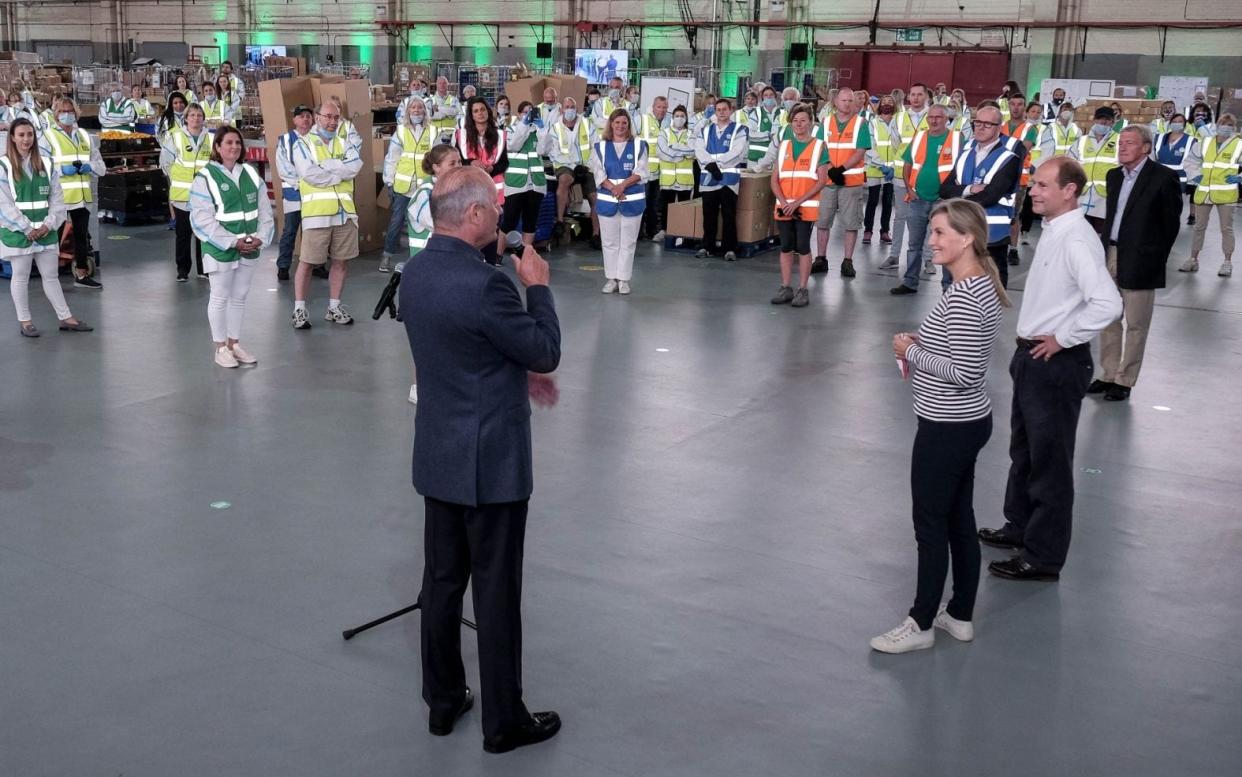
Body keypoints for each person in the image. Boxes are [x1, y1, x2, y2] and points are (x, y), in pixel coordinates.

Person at [400, 165, 561, 755]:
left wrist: (511, 375)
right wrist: (538, 286)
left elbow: (458, 351)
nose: (500, 216)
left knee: (441, 585)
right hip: (491, 463)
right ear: (472, 216)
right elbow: (544, 350)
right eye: (494, 209)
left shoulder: (414, 274)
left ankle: (442, 703)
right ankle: (504, 721)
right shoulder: (489, 284)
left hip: (439, 454)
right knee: (495, 593)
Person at [872, 199, 1008, 654]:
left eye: (939, 233)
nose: (930, 241)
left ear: (967, 238)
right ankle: (961, 614)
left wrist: (909, 351)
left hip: (947, 427)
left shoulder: (968, 296)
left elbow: (966, 371)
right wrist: (923, 338)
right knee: (958, 519)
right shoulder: (973, 284)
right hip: (965, 422)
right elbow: (957, 347)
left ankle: (921, 622)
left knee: (930, 525)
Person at [978, 157, 1122, 581]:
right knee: (1025, 452)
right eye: (1033, 184)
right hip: (1033, 358)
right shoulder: (1056, 231)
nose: (1034, 191)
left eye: (1043, 185)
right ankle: (1019, 526)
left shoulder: (1076, 239)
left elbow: (1108, 303)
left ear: (1070, 190)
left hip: (1055, 362)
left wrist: (1063, 337)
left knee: (1050, 461)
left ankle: (1042, 556)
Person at [1086, 125, 1181, 402]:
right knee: (1109, 316)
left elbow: (1169, 225)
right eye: (1120, 143)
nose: (1122, 147)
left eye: (1129, 143)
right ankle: (1108, 373)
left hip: (1142, 258)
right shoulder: (1114, 176)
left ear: (1146, 148)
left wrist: (1154, 258)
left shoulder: (1163, 178)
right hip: (1112, 253)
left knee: (1137, 323)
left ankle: (1125, 379)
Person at [189, 125, 274, 368]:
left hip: (249, 246)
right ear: (217, 147)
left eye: (237, 143)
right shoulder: (205, 178)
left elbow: (265, 211)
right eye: (228, 143)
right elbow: (202, 219)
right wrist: (231, 241)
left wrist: (261, 237)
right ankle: (220, 348)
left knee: (239, 297)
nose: (234, 147)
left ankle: (234, 344)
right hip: (219, 248)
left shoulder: (249, 174)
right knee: (219, 297)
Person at [1, 118, 91, 337]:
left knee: (51, 276)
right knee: (20, 276)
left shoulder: (47, 164)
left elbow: (58, 201)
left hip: (45, 231)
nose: (26, 139)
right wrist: (26, 228)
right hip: (18, 233)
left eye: (30, 134)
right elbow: (3, 204)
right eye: (21, 135)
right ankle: (25, 321)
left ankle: (65, 318)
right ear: (12, 138)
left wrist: (48, 225)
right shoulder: (4, 166)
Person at [290, 100, 363, 329]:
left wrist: (327, 166)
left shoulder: (345, 143)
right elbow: (310, 174)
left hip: (345, 213)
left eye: (336, 118)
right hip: (317, 214)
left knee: (341, 262)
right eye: (328, 117)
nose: (332, 122)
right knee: (307, 262)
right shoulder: (303, 144)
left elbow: (355, 167)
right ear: (317, 117)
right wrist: (338, 173)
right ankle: (299, 310)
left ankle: (334, 307)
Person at [936, 105, 1022, 289]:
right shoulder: (965, 154)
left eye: (987, 124)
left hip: (992, 233)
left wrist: (959, 198)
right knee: (959, 283)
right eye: (977, 123)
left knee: (991, 286)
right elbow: (944, 190)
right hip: (963, 230)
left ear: (999, 128)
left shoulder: (1008, 158)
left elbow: (990, 196)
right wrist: (969, 189)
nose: (980, 128)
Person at [402, 145, 462, 405]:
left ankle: (448, 383)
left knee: (453, 334)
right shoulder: (424, 195)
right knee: (426, 337)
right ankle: (419, 387)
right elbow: (442, 224)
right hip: (426, 277)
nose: (458, 166)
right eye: (452, 163)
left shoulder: (455, 192)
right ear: (436, 167)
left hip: (451, 274)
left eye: (460, 161)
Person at [890, 104, 959, 294]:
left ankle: (948, 287)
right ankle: (910, 282)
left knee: (946, 243)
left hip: (944, 201)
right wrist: (909, 188)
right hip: (918, 197)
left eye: (938, 117)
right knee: (914, 244)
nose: (934, 120)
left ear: (946, 119)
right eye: (931, 117)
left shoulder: (956, 138)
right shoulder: (919, 136)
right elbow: (907, 163)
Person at [39, 98, 103, 290]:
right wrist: (60, 169)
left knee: (81, 237)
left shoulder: (84, 135)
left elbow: (101, 166)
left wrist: (88, 167)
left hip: (82, 197)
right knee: (53, 238)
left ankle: (82, 275)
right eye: (63, 111)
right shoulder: (47, 136)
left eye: (70, 111)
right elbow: (40, 167)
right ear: (56, 114)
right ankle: (49, 277)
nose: (67, 114)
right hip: (59, 198)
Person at [769, 105, 828, 309]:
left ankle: (803, 289)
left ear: (811, 122)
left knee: (802, 246)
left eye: (803, 120)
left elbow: (821, 180)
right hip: (784, 206)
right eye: (795, 121)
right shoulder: (784, 146)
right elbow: (774, 179)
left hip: (805, 207)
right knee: (785, 246)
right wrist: (785, 202)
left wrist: (797, 202)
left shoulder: (819, 146)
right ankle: (786, 287)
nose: (799, 124)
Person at [809, 88, 869, 277]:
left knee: (851, 223)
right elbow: (819, 149)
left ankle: (848, 261)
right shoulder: (825, 123)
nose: (847, 104)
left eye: (850, 100)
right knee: (822, 222)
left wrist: (840, 169)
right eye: (844, 100)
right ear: (835, 102)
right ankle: (821, 258)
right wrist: (829, 170)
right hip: (826, 182)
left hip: (851, 183)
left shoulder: (861, 124)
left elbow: (860, 151)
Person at [592, 109, 647, 295]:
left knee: (628, 242)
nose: (620, 126)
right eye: (617, 123)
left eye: (624, 123)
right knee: (609, 242)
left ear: (629, 125)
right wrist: (613, 188)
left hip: (632, 202)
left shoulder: (639, 145)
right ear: (611, 124)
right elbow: (599, 174)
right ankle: (611, 279)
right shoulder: (599, 147)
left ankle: (623, 279)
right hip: (608, 202)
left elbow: (641, 171)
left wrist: (622, 186)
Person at [1180, 112, 1240, 276]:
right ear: (1217, 125)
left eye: (1229, 125)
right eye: (1223, 124)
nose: (1226, 128)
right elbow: (1190, 160)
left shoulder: (1239, 144)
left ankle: (1227, 263)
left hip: (1226, 193)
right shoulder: (1205, 142)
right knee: (1199, 227)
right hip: (1204, 191)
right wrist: (1194, 175)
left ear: (1234, 128)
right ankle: (1193, 259)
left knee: (1226, 229)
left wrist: (1239, 177)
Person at [453, 97, 509, 264]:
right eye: (476, 111)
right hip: (469, 192)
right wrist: (470, 162)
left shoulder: (499, 135)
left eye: (483, 110)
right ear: (471, 115)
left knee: (491, 232)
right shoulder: (462, 136)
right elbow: (456, 161)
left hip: (493, 193)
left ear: (488, 111)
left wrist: (492, 168)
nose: (480, 114)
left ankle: (490, 266)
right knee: (471, 231)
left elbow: (504, 162)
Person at [381, 97, 434, 272]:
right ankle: (386, 258)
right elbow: (392, 158)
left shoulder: (432, 131)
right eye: (413, 108)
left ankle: (423, 257)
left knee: (426, 222)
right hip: (404, 187)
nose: (417, 111)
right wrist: (389, 181)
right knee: (396, 222)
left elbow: (439, 157)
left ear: (425, 111)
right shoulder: (401, 131)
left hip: (425, 187)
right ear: (408, 111)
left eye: (420, 108)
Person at [160, 102, 211, 281]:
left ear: (203, 118)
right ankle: (182, 270)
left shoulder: (210, 138)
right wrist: (177, 177)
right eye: (192, 115)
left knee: (203, 234)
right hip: (182, 195)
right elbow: (165, 162)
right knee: (183, 233)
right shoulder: (175, 137)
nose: (196, 118)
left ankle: (204, 268)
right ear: (186, 118)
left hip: (205, 196)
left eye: (199, 115)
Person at [541, 97, 600, 248]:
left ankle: (596, 234)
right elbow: (554, 152)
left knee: (595, 195)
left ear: (577, 108)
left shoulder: (587, 124)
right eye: (567, 107)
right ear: (561, 110)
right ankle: (560, 221)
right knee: (564, 180)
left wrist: (586, 165)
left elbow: (596, 148)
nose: (569, 110)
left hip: (587, 167)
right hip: (565, 165)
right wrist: (574, 165)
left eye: (572, 107)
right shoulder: (555, 128)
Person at [694, 97, 747, 261]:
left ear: (731, 110)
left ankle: (729, 248)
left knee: (728, 214)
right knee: (708, 214)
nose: (721, 112)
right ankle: (707, 246)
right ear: (714, 112)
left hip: (728, 177)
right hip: (709, 177)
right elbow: (699, 149)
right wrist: (710, 164)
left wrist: (718, 164)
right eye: (718, 110)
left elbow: (737, 152)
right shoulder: (706, 130)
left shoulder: (739, 129)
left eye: (725, 109)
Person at [273, 104, 314, 281]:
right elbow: (284, 168)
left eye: (308, 116)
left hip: (314, 194)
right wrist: (302, 183)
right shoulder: (285, 140)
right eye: (301, 116)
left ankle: (316, 264)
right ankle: (283, 266)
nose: (305, 119)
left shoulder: (317, 139)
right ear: (294, 120)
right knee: (290, 230)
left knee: (313, 232)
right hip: (294, 193)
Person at [500, 101, 547, 251]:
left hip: (536, 183)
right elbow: (514, 145)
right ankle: (498, 255)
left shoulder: (540, 131)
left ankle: (526, 255)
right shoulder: (511, 129)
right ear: (519, 114)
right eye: (525, 112)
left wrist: (542, 129)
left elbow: (543, 150)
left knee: (530, 222)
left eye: (531, 112)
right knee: (508, 221)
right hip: (515, 184)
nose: (528, 115)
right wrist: (524, 126)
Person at [1072, 107, 1121, 234]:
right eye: (1100, 118)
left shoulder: (1119, 140)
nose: (1103, 122)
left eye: (1107, 119)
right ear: (1094, 120)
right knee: (1080, 233)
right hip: (1083, 194)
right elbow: (1070, 164)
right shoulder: (1082, 141)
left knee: (1101, 234)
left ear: (1112, 122)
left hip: (1105, 196)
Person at [656, 105, 695, 243]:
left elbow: (693, 152)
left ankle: (682, 232)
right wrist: (681, 154)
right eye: (677, 116)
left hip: (685, 179)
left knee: (684, 208)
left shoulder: (692, 134)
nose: (679, 119)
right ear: (672, 118)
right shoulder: (664, 133)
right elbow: (661, 151)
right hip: (668, 179)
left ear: (686, 118)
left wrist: (673, 148)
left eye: (682, 116)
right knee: (667, 207)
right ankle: (664, 230)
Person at [863, 95, 898, 247]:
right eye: (884, 102)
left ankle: (885, 231)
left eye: (890, 102)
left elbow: (901, 145)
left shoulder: (898, 122)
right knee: (872, 201)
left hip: (892, 169)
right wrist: (881, 164)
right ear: (880, 105)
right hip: (875, 168)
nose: (887, 104)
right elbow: (870, 145)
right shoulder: (873, 122)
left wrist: (894, 166)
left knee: (888, 201)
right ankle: (868, 230)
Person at [1152, 113, 1194, 222]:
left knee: (1174, 206)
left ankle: (1171, 227)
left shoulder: (1190, 140)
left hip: (1179, 179)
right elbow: (1153, 157)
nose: (1177, 124)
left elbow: (1192, 162)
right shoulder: (1159, 138)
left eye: (1180, 121)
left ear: (1185, 124)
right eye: (1174, 122)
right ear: (1170, 124)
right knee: (1157, 204)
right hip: (1159, 176)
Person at [637, 96, 668, 240]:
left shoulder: (668, 122)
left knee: (654, 205)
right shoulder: (642, 119)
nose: (661, 110)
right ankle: (638, 233)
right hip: (644, 171)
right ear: (653, 106)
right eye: (659, 107)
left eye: (664, 107)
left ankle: (651, 231)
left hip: (660, 172)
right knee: (641, 203)